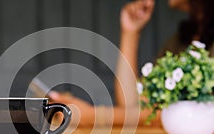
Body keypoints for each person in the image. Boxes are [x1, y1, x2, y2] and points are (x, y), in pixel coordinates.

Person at [50, 0, 214, 127]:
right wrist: (130, 31)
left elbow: (167, 114)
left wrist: (92, 116)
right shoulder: (179, 42)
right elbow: (135, 104)